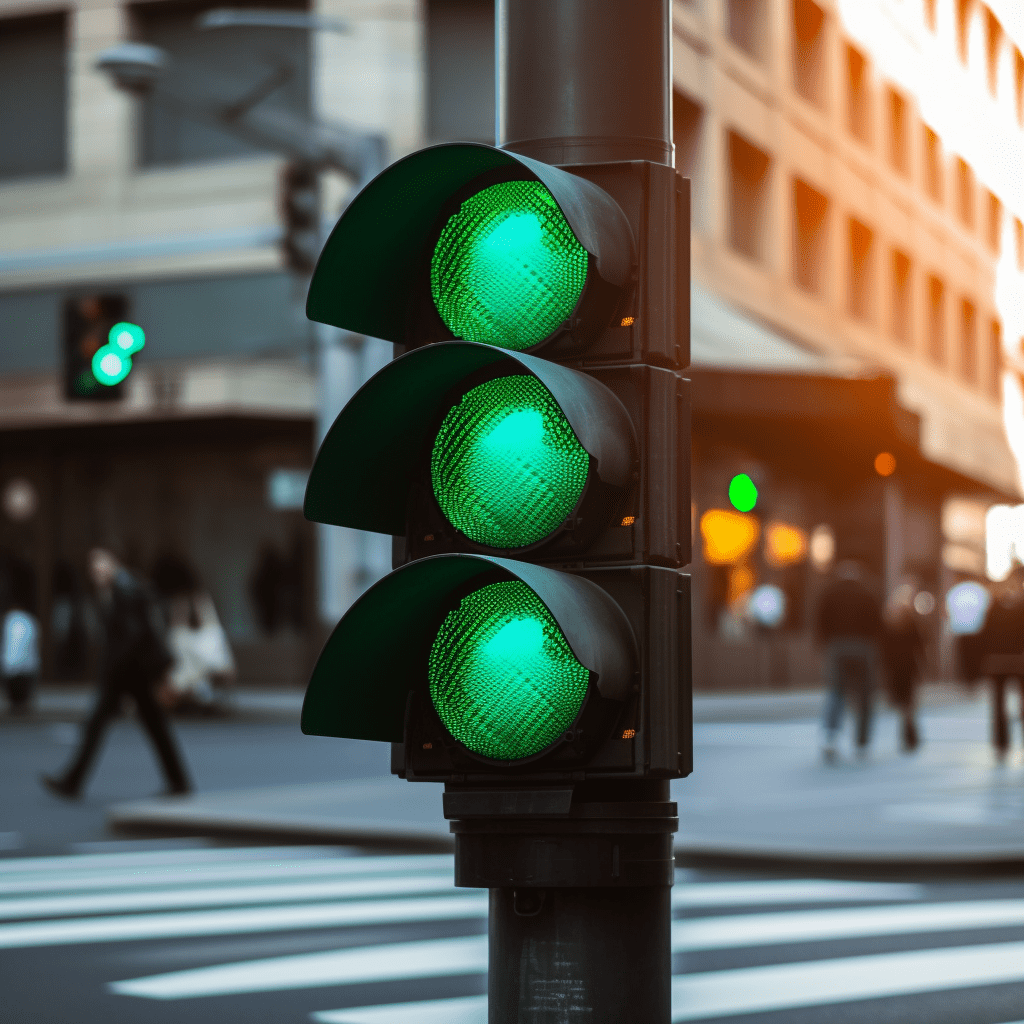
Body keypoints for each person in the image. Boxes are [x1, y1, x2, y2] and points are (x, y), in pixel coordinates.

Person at [41, 548, 191, 798]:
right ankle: (178, 782)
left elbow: (131, 636)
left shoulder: (125, 588)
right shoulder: (119, 588)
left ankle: (72, 782)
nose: (96, 571)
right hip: (131, 673)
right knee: (148, 728)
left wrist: (111, 671)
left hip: (129, 673)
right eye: (93, 567)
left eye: (101, 563)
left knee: (105, 726)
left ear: (114, 562)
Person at [815, 560, 882, 761]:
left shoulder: (830, 593)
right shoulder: (868, 594)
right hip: (863, 647)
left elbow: (820, 621)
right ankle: (862, 741)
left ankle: (830, 736)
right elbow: (877, 624)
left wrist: (824, 645)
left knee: (836, 691)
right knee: (865, 695)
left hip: (837, 647)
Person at [973, 568, 1024, 759]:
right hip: (1003, 661)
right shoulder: (995, 606)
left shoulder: (996, 606)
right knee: (999, 705)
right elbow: (984, 636)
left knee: (1006, 704)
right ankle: (1001, 742)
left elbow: (983, 635)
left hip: (1012, 662)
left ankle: (1001, 743)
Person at [881, 581, 925, 752]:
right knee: (909, 702)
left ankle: (908, 733)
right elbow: (920, 645)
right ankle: (910, 734)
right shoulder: (911, 621)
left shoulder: (888, 621)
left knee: (902, 702)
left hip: (895, 667)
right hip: (908, 666)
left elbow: (883, 647)